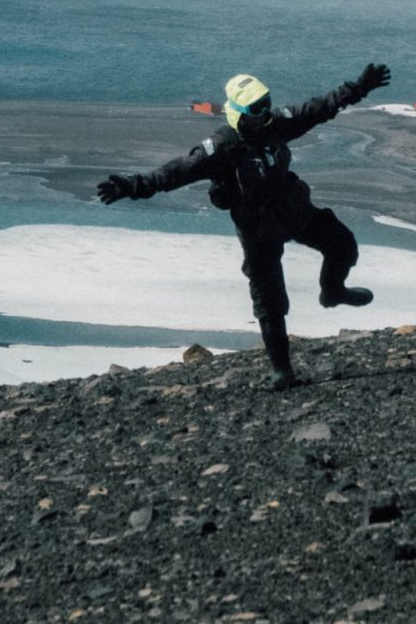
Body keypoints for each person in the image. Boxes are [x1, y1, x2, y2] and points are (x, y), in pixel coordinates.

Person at [97, 63, 392, 389]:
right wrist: (132, 185)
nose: (265, 112)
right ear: (238, 112)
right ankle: (282, 370)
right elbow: (175, 172)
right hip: (258, 230)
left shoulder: (275, 124)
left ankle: (332, 291)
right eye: (256, 108)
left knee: (343, 244)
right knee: (269, 302)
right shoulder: (222, 148)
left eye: (267, 103)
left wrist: (359, 88)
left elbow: (318, 108)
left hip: (293, 208)